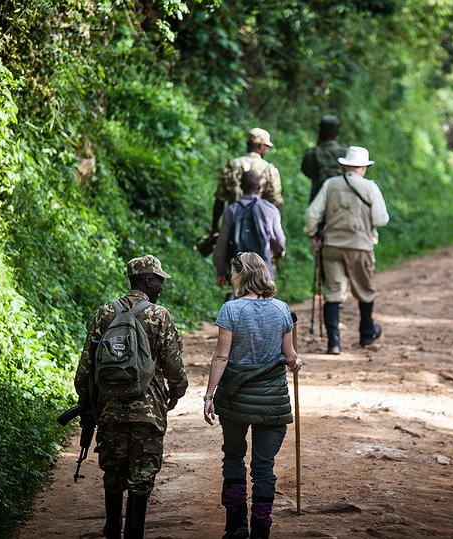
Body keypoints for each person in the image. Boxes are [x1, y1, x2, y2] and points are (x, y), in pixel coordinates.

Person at [74, 255, 188, 539]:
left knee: (113, 472)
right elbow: (173, 365)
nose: (161, 285)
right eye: (159, 279)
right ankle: (133, 534)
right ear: (147, 279)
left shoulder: (104, 313)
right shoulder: (160, 315)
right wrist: (175, 393)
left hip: (110, 408)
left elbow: (86, 366)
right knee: (142, 475)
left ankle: (112, 529)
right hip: (147, 412)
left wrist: (89, 403)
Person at [203, 252, 302, 539]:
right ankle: (261, 529)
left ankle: (235, 527)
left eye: (234, 273)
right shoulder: (283, 309)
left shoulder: (231, 310)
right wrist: (297, 364)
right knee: (264, 467)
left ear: (242, 275)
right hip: (272, 401)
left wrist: (209, 395)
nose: (232, 278)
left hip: (235, 398)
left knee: (233, 457)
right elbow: (291, 357)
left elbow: (221, 358)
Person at [304, 146, 390, 354]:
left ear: (345, 166)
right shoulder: (370, 188)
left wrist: (313, 234)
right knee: (364, 290)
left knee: (333, 292)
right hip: (360, 246)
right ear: (363, 167)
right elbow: (381, 219)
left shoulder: (330, 185)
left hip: (332, 245)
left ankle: (334, 341)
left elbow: (312, 213)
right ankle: (366, 333)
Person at [213, 170, 286, 288]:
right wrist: (280, 250)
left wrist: (221, 269)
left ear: (241, 187)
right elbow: (279, 241)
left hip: (239, 269)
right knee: (264, 301)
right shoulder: (270, 209)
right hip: (264, 269)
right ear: (260, 187)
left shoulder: (232, 210)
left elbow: (222, 243)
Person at [210, 128, 284, 237]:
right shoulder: (270, 169)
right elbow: (275, 203)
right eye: (266, 147)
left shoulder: (232, 164)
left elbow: (220, 199)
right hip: (259, 225)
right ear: (261, 146)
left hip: (232, 223)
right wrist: (276, 233)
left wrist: (215, 227)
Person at [301, 114, 347, 203]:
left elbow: (307, 171)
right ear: (337, 132)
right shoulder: (346, 154)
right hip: (341, 202)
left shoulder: (312, 154)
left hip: (318, 200)